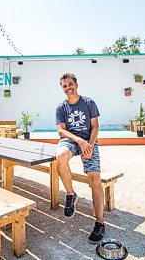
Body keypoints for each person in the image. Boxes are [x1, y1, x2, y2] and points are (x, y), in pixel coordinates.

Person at [55, 73, 105, 243]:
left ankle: (100, 223)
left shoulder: (89, 102)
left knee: (95, 178)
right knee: (60, 157)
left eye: (70, 84)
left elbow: (95, 126)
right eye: (64, 86)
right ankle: (70, 195)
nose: (68, 88)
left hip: (89, 141)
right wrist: (79, 141)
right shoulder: (61, 107)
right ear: (62, 88)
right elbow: (61, 131)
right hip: (71, 141)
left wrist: (89, 145)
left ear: (76, 85)